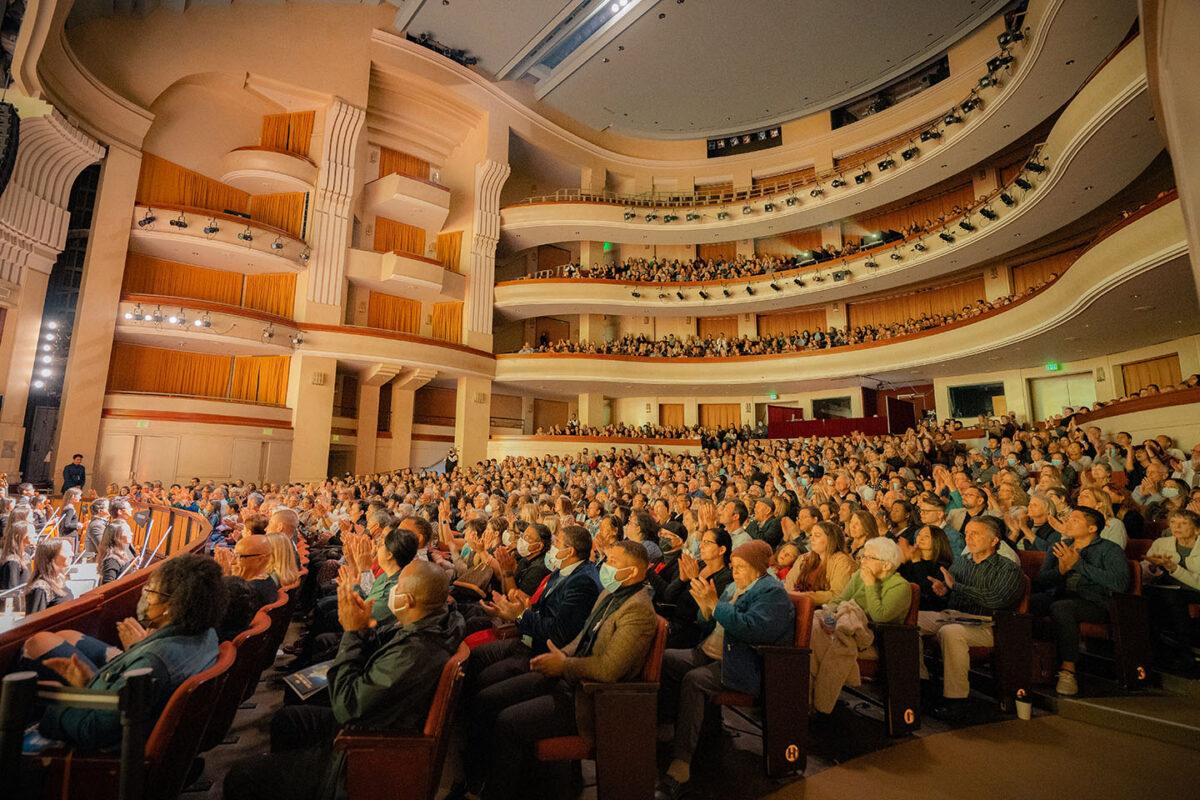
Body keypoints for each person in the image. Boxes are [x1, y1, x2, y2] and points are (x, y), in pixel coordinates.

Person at [223, 560, 465, 800]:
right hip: (371, 715)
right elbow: (383, 642)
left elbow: (347, 706)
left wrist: (351, 633)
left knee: (243, 776)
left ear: (409, 600)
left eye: (397, 587)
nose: (392, 591)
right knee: (289, 719)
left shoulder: (416, 651)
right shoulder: (432, 622)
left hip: (365, 744)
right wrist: (362, 626)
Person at [475, 540, 657, 800]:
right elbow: (582, 639)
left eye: (614, 562)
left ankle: (498, 792)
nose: (604, 565)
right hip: (569, 678)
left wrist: (564, 665)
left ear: (634, 572)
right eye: (607, 558)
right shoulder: (610, 594)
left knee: (508, 722)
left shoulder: (638, 610)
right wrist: (561, 655)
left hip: (590, 701)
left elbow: (608, 669)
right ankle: (495, 778)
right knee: (491, 697)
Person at [21, 553, 225, 750]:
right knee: (67, 636)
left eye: (151, 592)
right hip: (125, 722)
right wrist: (87, 684)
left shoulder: (151, 664)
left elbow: (92, 731)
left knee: (37, 651)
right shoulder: (207, 635)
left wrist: (60, 702)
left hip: (106, 762)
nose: (144, 596)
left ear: (171, 607)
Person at [656, 540, 794, 799]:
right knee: (666, 660)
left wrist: (715, 605)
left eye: (741, 567)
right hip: (709, 651)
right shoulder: (734, 586)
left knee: (694, 680)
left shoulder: (771, 592)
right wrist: (704, 608)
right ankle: (667, 724)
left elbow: (753, 630)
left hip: (740, 663)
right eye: (733, 566)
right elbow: (709, 623)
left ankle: (682, 761)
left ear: (758, 567)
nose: (735, 572)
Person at [918, 516, 1025, 720]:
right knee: (912, 620)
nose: (969, 538)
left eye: (975, 534)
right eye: (967, 533)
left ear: (994, 540)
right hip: (954, 615)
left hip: (987, 624)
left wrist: (956, 587)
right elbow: (950, 591)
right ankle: (920, 682)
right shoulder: (962, 563)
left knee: (951, 632)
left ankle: (957, 700)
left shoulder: (1008, 568)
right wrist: (943, 591)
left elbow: (995, 599)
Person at [807, 537, 912, 717]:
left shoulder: (900, 586)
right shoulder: (859, 575)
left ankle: (814, 700)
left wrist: (871, 584)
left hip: (874, 639)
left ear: (886, 565)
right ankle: (811, 699)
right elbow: (839, 601)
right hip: (842, 624)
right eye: (863, 556)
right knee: (814, 628)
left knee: (818, 641)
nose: (862, 561)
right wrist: (829, 618)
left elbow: (880, 616)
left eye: (869, 558)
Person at [1031, 507, 1130, 695]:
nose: (1067, 522)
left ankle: (1068, 670)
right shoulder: (1061, 546)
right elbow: (1040, 580)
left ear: (1092, 528)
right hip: (1060, 595)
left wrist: (1078, 565)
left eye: (1075, 520)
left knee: (1062, 608)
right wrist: (1060, 571)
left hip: (1095, 602)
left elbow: (1119, 583)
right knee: (1031, 602)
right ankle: (1031, 664)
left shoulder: (1109, 549)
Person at [1142, 509, 1200, 674]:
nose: (1177, 527)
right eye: (1173, 523)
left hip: (1193, 590)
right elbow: (1144, 574)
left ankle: (1185, 654)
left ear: (1197, 529)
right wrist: (1152, 567)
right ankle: (1155, 652)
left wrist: (1174, 568)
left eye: (1183, 523)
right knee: (1146, 594)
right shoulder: (1162, 543)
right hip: (1165, 589)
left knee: (1171, 597)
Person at [658, 528, 734, 648]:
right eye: (702, 542)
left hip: (691, 631)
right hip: (672, 619)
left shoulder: (726, 577)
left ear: (722, 550)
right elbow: (668, 596)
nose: (701, 546)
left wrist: (694, 579)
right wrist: (681, 580)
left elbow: (701, 613)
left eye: (707, 543)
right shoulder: (699, 565)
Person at [786, 521, 856, 602]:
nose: (811, 539)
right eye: (811, 535)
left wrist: (807, 597)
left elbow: (838, 594)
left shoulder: (843, 562)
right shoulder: (804, 558)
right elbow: (789, 584)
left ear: (831, 539)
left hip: (823, 610)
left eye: (817, 535)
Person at [899, 524, 954, 612]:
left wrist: (916, 561)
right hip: (905, 606)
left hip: (928, 610)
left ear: (937, 540)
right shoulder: (911, 560)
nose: (920, 538)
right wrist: (902, 560)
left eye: (926, 536)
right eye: (919, 535)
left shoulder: (943, 566)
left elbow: (927, 591)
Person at [216, 533, 277, 608]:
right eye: (233, 555)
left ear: (260, 560)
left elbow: (219, 610)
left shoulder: (249, 591)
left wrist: (224, 574)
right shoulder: (265, 580)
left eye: (238, 556)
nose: (232, 562)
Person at [25, 540, 74, 614]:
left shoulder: (59, 580)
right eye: (67, 551)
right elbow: (34, 621)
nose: (72, 554)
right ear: (52, 557)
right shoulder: (40, 588)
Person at [1, 518, 34, 591]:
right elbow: (11, 592)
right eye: (31, 532)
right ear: (20, 536)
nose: (34, 534)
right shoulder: (12, 562)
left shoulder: (26, 556)